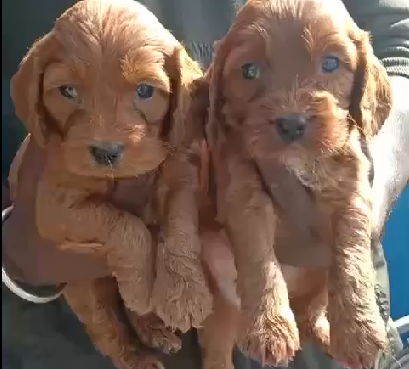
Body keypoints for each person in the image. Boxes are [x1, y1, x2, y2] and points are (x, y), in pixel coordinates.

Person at [2, 0, 408, 368]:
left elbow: (398, 40)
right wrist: (13, 259)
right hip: (59, 337)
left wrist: (359, 202)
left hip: (329, 339)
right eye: (250, 71)